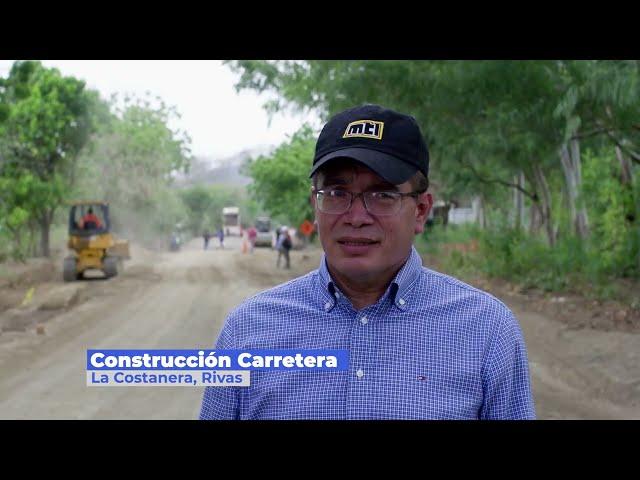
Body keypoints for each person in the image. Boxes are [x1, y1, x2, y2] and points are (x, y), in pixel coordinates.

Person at [200, 104, 535, 420]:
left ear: (420, 211)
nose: (356, 216)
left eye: (383, 195)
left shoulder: (487, 331)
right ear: (315, 207)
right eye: (336, 193)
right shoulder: (246, 329)